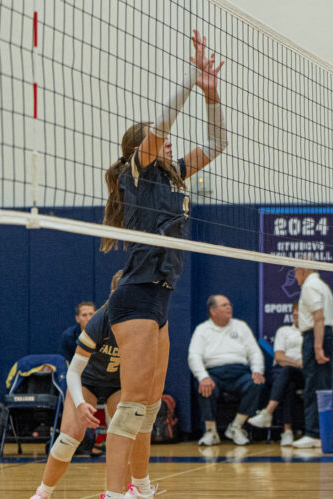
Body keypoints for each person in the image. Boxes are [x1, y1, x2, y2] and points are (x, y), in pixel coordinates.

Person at [98, 29, 226, 499]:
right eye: (158, 143)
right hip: (134, 294)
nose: (169, 146)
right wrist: (191, 82)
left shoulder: (174, 176)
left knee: (150, 404)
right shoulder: (139, 174)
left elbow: (217, 142)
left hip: (162, 294)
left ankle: (142, 486)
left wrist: (212, 94)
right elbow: (161, 129)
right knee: (131, 403)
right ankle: (116, 494)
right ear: (141, 151)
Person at [31, 272, 127, 499]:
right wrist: (81, 403)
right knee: (69, 438)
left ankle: (123, 492)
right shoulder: (99, 321)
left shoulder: (142, 322)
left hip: (118, 383)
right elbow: (73, 371)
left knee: (125, 435)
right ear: (114, 294)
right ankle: (43, 493)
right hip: (87, 380)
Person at [188, 294, 266, 446]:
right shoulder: (202, 329)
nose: (229, 307)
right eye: (224, 305)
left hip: (239, 372)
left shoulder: (240, 326)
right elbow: (194, 356)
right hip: (214, 373)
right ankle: (211, 431)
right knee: (204, 385)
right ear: (213, 311)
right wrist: (203, 376)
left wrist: (257, 371)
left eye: (229, 304)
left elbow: (254, 352)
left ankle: (236, 427)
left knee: (256, 383)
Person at [291, 263, 333, 449]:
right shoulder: (323, 285)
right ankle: (322, 432)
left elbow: (318, 317)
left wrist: (317, 347)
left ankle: (314, 433)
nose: (295, 277)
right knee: (322, 385)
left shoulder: (310, 286)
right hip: (323, 335)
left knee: (314, 386)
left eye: (295, 271)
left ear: (303, 269)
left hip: (315, 337)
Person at [249, 306, 304, 445]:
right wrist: (297, 363)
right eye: (294, 315)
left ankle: (268, 413)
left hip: (304, 374)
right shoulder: (284, 331)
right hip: (284, 370)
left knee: (288, 373)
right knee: (288, 384)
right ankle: (287, 432)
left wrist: (296, 365)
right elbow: (279, 357)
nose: (296, 317)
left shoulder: (312, 332)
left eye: (299, 315)